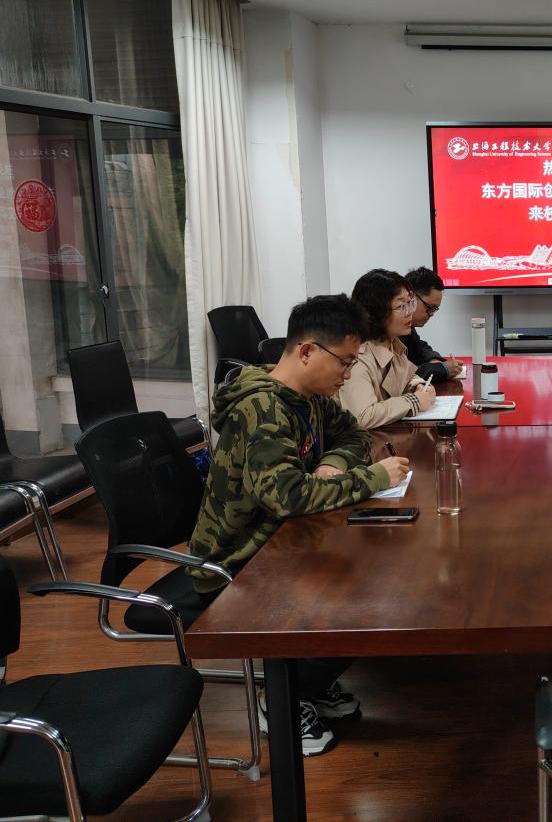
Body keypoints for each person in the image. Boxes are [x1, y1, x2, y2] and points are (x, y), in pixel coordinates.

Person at [188, 294, 411, 756]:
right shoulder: (261, 410)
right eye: (344, 362)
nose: (348, 374)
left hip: (280, 541)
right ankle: (282, 696)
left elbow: (354, 434)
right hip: (238, 564)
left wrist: (331, 465)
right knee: (364, 604)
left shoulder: (308, 399)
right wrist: (371, 478)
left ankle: (309, 680)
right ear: (307, 351)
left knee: (377, 579)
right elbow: (287, 496)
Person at [340, 269, 437, 428]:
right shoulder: (357, 356)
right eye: (401, 306)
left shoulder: (393, 344)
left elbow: (405, 376)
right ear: (376, 312)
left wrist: (418, 385)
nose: (410, 313)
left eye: (410, 303)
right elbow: (363, 416)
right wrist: (413, 401)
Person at [403, 266, 464, 382]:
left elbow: (420, 347)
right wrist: (442, 368)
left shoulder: (408, 326)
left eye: (435, 310)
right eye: (430, 307)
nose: (431, 314)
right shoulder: (388, 329)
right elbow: (400, 376)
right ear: (410, 297)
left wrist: (434, 360)